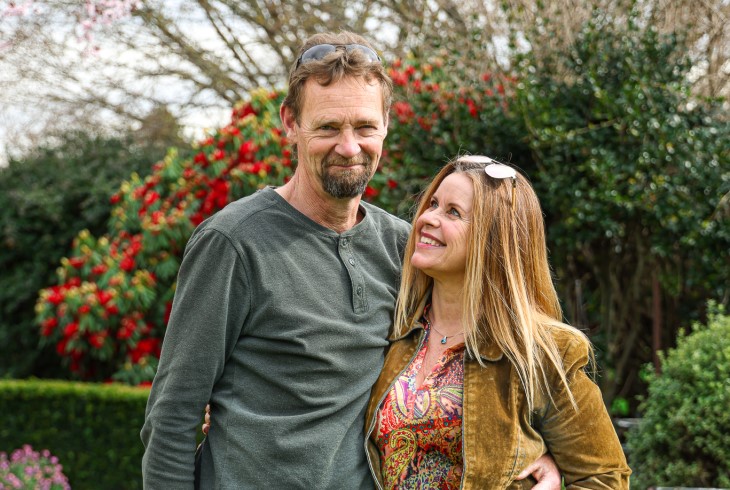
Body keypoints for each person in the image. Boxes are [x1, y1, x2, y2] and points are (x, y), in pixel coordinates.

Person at [142, 30, 561, 489]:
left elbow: (483, 351)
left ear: (386, 124)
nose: (348, 147)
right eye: (327, 128)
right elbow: (173, 416)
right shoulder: (233, 243)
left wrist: (542, 452)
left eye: (364, 127)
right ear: (290, 123)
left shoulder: (405, 248)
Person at [361, 155, 631, 488]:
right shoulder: (394, 328)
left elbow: (605, 478)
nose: (427, 218)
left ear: (494, 240)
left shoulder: (541, 354)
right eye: (433, 204)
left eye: (453, 212)